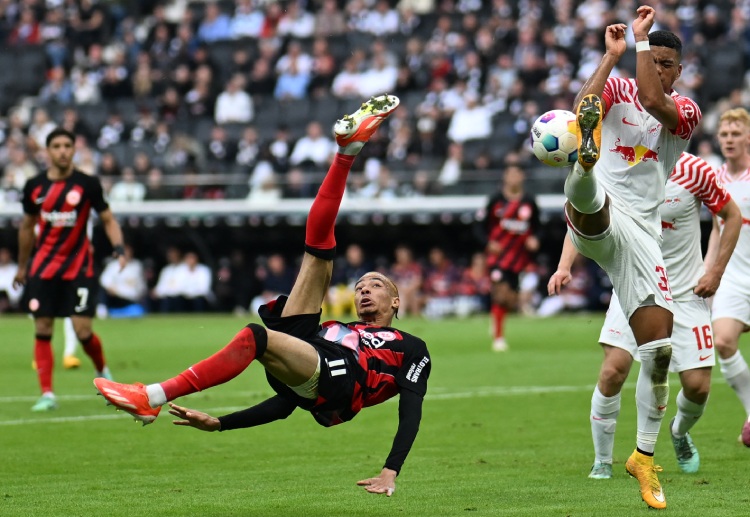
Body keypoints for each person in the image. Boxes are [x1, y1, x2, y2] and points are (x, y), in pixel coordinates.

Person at [94, 94, 431, 496]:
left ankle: (151, 396)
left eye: (376, 285)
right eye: (360, 286)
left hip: (344, 380)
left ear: (396, 301)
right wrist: (222, 423)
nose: (364, 290)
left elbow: (410, 409)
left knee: (256, 336)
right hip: (318, 360)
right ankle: (346, 154)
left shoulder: (412, 347)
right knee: (319, 251)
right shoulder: (337, 327)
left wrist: (391, 470)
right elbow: (287, 402)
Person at [562, 7, 701, 509]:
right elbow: (581, 108)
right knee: (591, 195)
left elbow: (650, 96)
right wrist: (610, 56)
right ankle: (583, 172)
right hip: (608, 211)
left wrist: (639, 44)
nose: (660, 67)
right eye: (655, 59)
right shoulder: (616, 91)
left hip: (644, 234)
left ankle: (642, 455)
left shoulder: (685, 112)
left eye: (668, 62)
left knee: (658, 351)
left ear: (678, 69)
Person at [550, 152, 740, 481]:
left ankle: (679, 432)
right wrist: (565, 265)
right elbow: (587, 211)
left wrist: (716, 272)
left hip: (686, 294)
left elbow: (731, 215)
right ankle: (602, 462)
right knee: (613, 371)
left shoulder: (694, 170)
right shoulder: (622, 163)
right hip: (634, 283)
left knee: (697, 387)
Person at [13, 127, 125, 412]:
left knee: (82, 329)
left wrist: (119, 248)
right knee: (42, 326)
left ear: (74, 150)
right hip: (43, 268)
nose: (62, 151)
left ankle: (103, 371)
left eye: (67, 145)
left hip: (79, 267)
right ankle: (47, 394)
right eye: (57, 146)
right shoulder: (34, 186)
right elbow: (26, 228)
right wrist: (22, 266)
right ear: (47, 152)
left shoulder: (87, 184)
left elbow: (108, 218)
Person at [706, 108, 750, 446]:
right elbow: (717, 231)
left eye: (736, 133)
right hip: (733, 276)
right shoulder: (715, 178)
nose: (729, 139)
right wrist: (710, 272)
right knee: (722, 341)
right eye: (725, 134)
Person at [478, 164, 540, 352]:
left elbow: (538, 227)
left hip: (518, 259)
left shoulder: (529, 202)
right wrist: (488, 243)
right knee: (501, 293)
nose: (513, 177)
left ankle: (496, 320)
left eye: (517, 174)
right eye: (510, 174)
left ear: (522, 177)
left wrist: (535, 239)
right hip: (498, 257)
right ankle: (498, 338)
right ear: (505, 177)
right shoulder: (495, 200)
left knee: (510, 299)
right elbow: (478, 227)